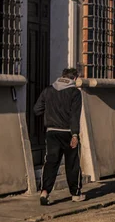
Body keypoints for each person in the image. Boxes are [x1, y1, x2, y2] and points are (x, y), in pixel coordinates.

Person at [34, 68, 84, 205]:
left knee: (51, 162)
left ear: (62, 77)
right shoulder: (75, 93)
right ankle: (75, 194)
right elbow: (75, 115)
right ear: (74, 79)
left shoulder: (48, 90)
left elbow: (37, 110)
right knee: (72, 163)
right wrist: (75, 134)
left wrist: (50, 113)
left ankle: (44, 192)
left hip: (51, 132)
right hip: (67, 132)